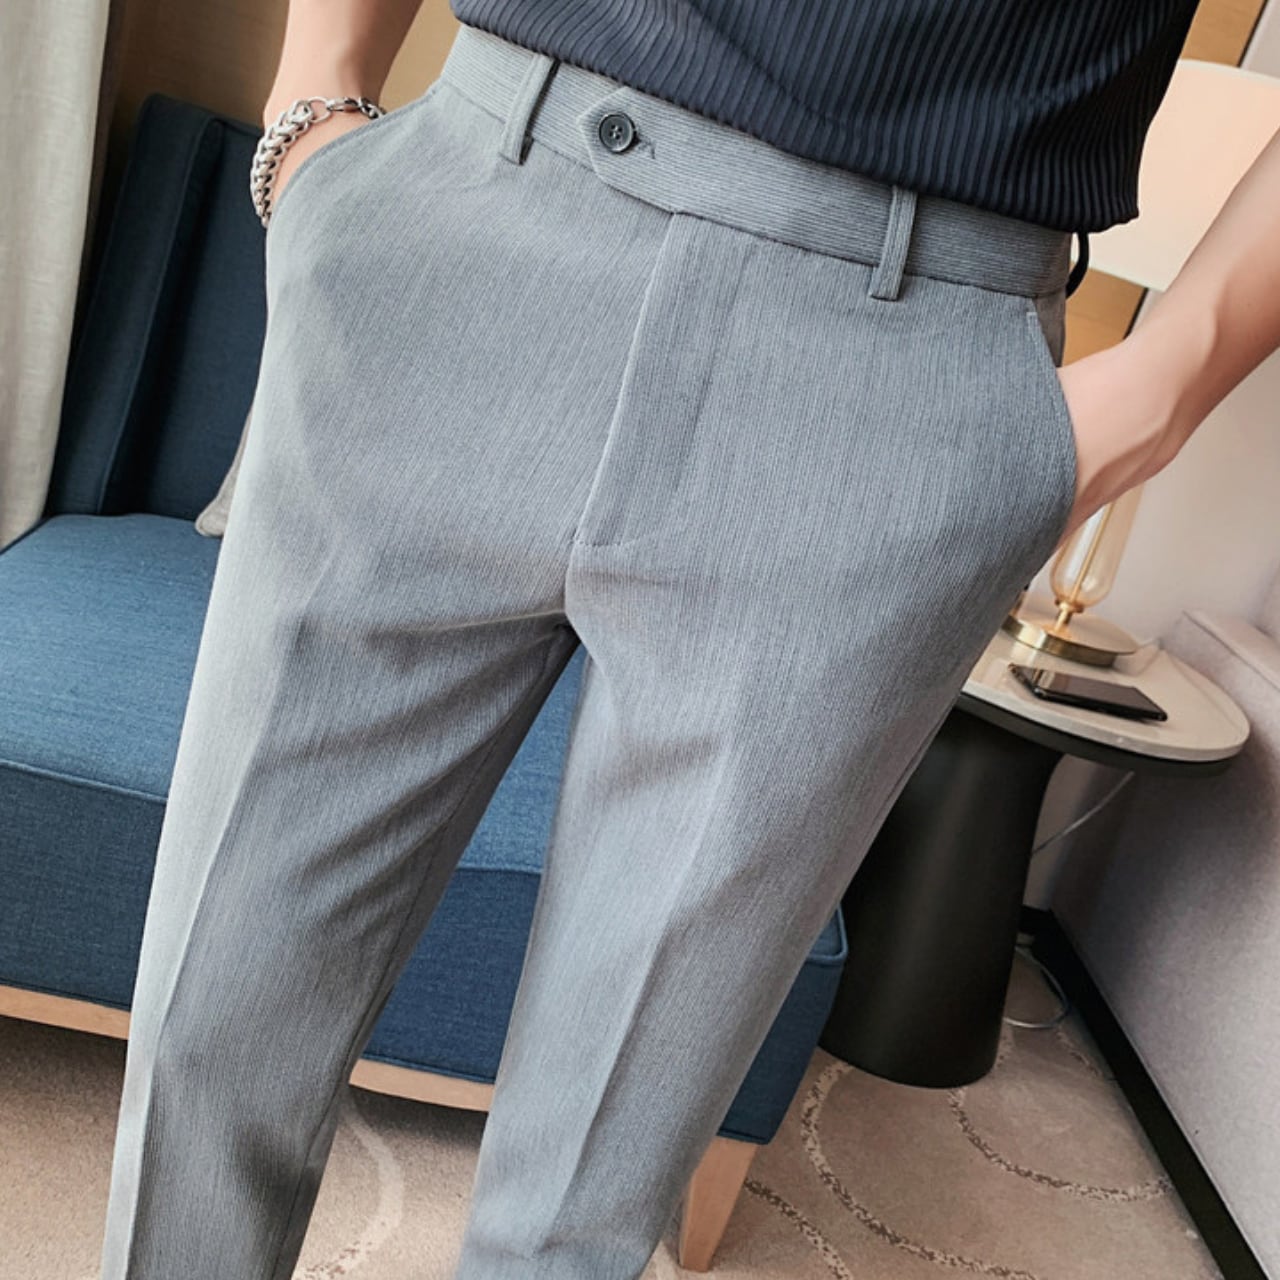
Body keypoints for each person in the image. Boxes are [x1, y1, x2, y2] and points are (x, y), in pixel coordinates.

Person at [99, 2, 1280, 1277]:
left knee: (583, 1200)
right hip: (472, 215)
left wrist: (1165, 384)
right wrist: (314, 99)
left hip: (897, 367)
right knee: (214, 1025)